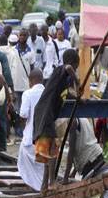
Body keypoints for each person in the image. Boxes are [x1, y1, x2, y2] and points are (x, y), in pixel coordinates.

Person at [33, 49, 80, 190]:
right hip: (45, 113)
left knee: (49, 149)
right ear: (73, 62)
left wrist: (79, 97)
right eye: (76, 66)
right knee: (52, 147)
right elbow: (69, 68)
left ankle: (44, 185)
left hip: (46, 113)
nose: (75, 69)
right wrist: (77, 80)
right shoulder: (61, 69)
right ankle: (52, 182)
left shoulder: (62, 80)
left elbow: (69, 94)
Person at [18, 68, 45, 190]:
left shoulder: (28, 94)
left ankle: (33, 188)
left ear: (31, 81)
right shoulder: (47, 93)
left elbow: (23, 114)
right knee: (42, 168)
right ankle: (41, 188)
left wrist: (23, 127)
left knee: (24, 165)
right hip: (45, 139)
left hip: (30, 139)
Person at [12, 29, 36, 137]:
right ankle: (17, 128)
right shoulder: (13, 50)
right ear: (18, 36)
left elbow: (32, 68)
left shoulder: (31, 52)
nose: (22, 37)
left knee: (25, 108)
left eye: (24, 35)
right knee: (16, 109)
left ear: (27, 37)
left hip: (26, 85)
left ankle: (24, 128)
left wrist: (32, 83)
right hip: (15, 84)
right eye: (21, 35)